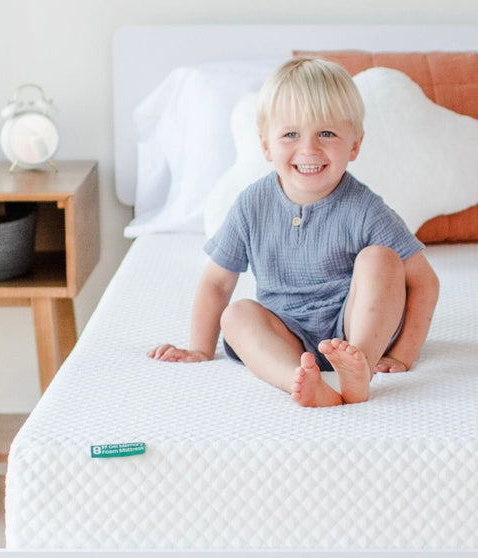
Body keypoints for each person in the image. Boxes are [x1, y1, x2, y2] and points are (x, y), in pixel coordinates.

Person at [148, 57, 439, 407]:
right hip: (284, 331)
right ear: (267, 146)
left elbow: (424, 281)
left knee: (380, 258)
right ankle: (297, 380)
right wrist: (199, 348)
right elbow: (216, 283)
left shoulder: (365, 208)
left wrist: (401, 356)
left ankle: (358, 368)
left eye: (327, 133)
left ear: (354, 145)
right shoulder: (251, 204)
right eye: (290, 134)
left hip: (353, 326)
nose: (309, 149)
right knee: (237, 314)